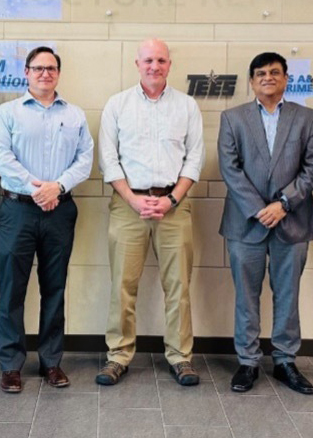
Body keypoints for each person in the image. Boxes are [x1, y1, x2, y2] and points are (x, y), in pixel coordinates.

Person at [95, 38, 205, 387]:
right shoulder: (118, 105)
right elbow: (108, 159)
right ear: (137, 64)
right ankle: (119, 356)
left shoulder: (187, 106)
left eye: (160, 60)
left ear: (169, 65)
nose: (154, 66)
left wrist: (172, 199)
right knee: (122, 286)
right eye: (148, 60)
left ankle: (180, 357)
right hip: (128, 206)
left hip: (175, 207)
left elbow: (195, 158)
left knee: (178, 287)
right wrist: (132, 199)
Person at [217, 52, 313, 394]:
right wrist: (260, 209)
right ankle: (247, 362)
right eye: (260, 73)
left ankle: (284, 361)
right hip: (245, 223)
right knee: (246, 295)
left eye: (274, 72)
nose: (267, 77)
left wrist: (282, 204)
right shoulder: (232, 118)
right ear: (251, 81)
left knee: (288, 294)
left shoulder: (307, 118)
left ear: (286, 78)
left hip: (292, 222)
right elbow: (230, 168)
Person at [0, 46, 94, 393]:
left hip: (60, 211)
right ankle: (11, 365)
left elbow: (85, 160)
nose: (45, 73)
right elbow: (1, 157)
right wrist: (37, 189)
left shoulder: (75, 115)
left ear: (58, 74)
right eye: (38, 68)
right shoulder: (8, 113)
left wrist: (57, 187)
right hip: (18, 208)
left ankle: (51, 362)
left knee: (55, 288)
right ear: (27, 73)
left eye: (51, 68)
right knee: (12, 289)